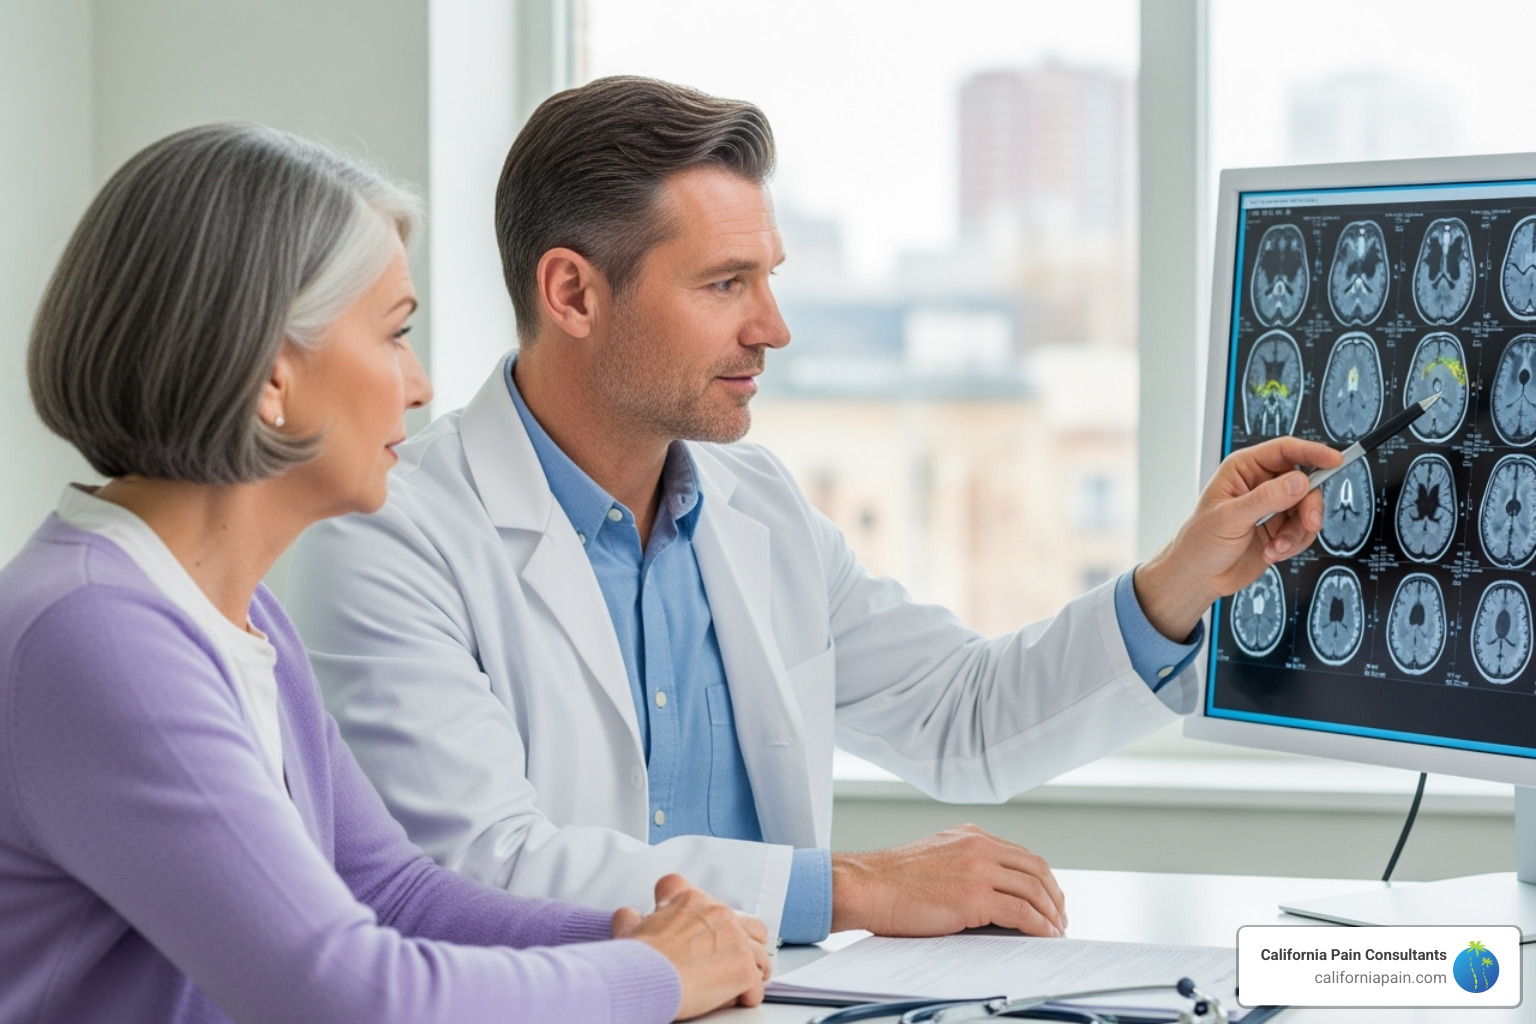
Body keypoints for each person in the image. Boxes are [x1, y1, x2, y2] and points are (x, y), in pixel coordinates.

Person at [287, 76, 1341, 946]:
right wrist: (852, 889)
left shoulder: (759, 507)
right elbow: (481, 868)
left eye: (771, 278)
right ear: (572, 294)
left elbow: (963, 716)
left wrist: (1177, 584)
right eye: (725, 284)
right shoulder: (389, 532)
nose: (775, 327)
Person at [0, 122, 772, 1024]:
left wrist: (633, 937)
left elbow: (395, 895)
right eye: (394, 334)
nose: (420, 384)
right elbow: (349, 992)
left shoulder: (239, 618)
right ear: (270, 377)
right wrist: (660, 975)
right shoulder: (98, 633)